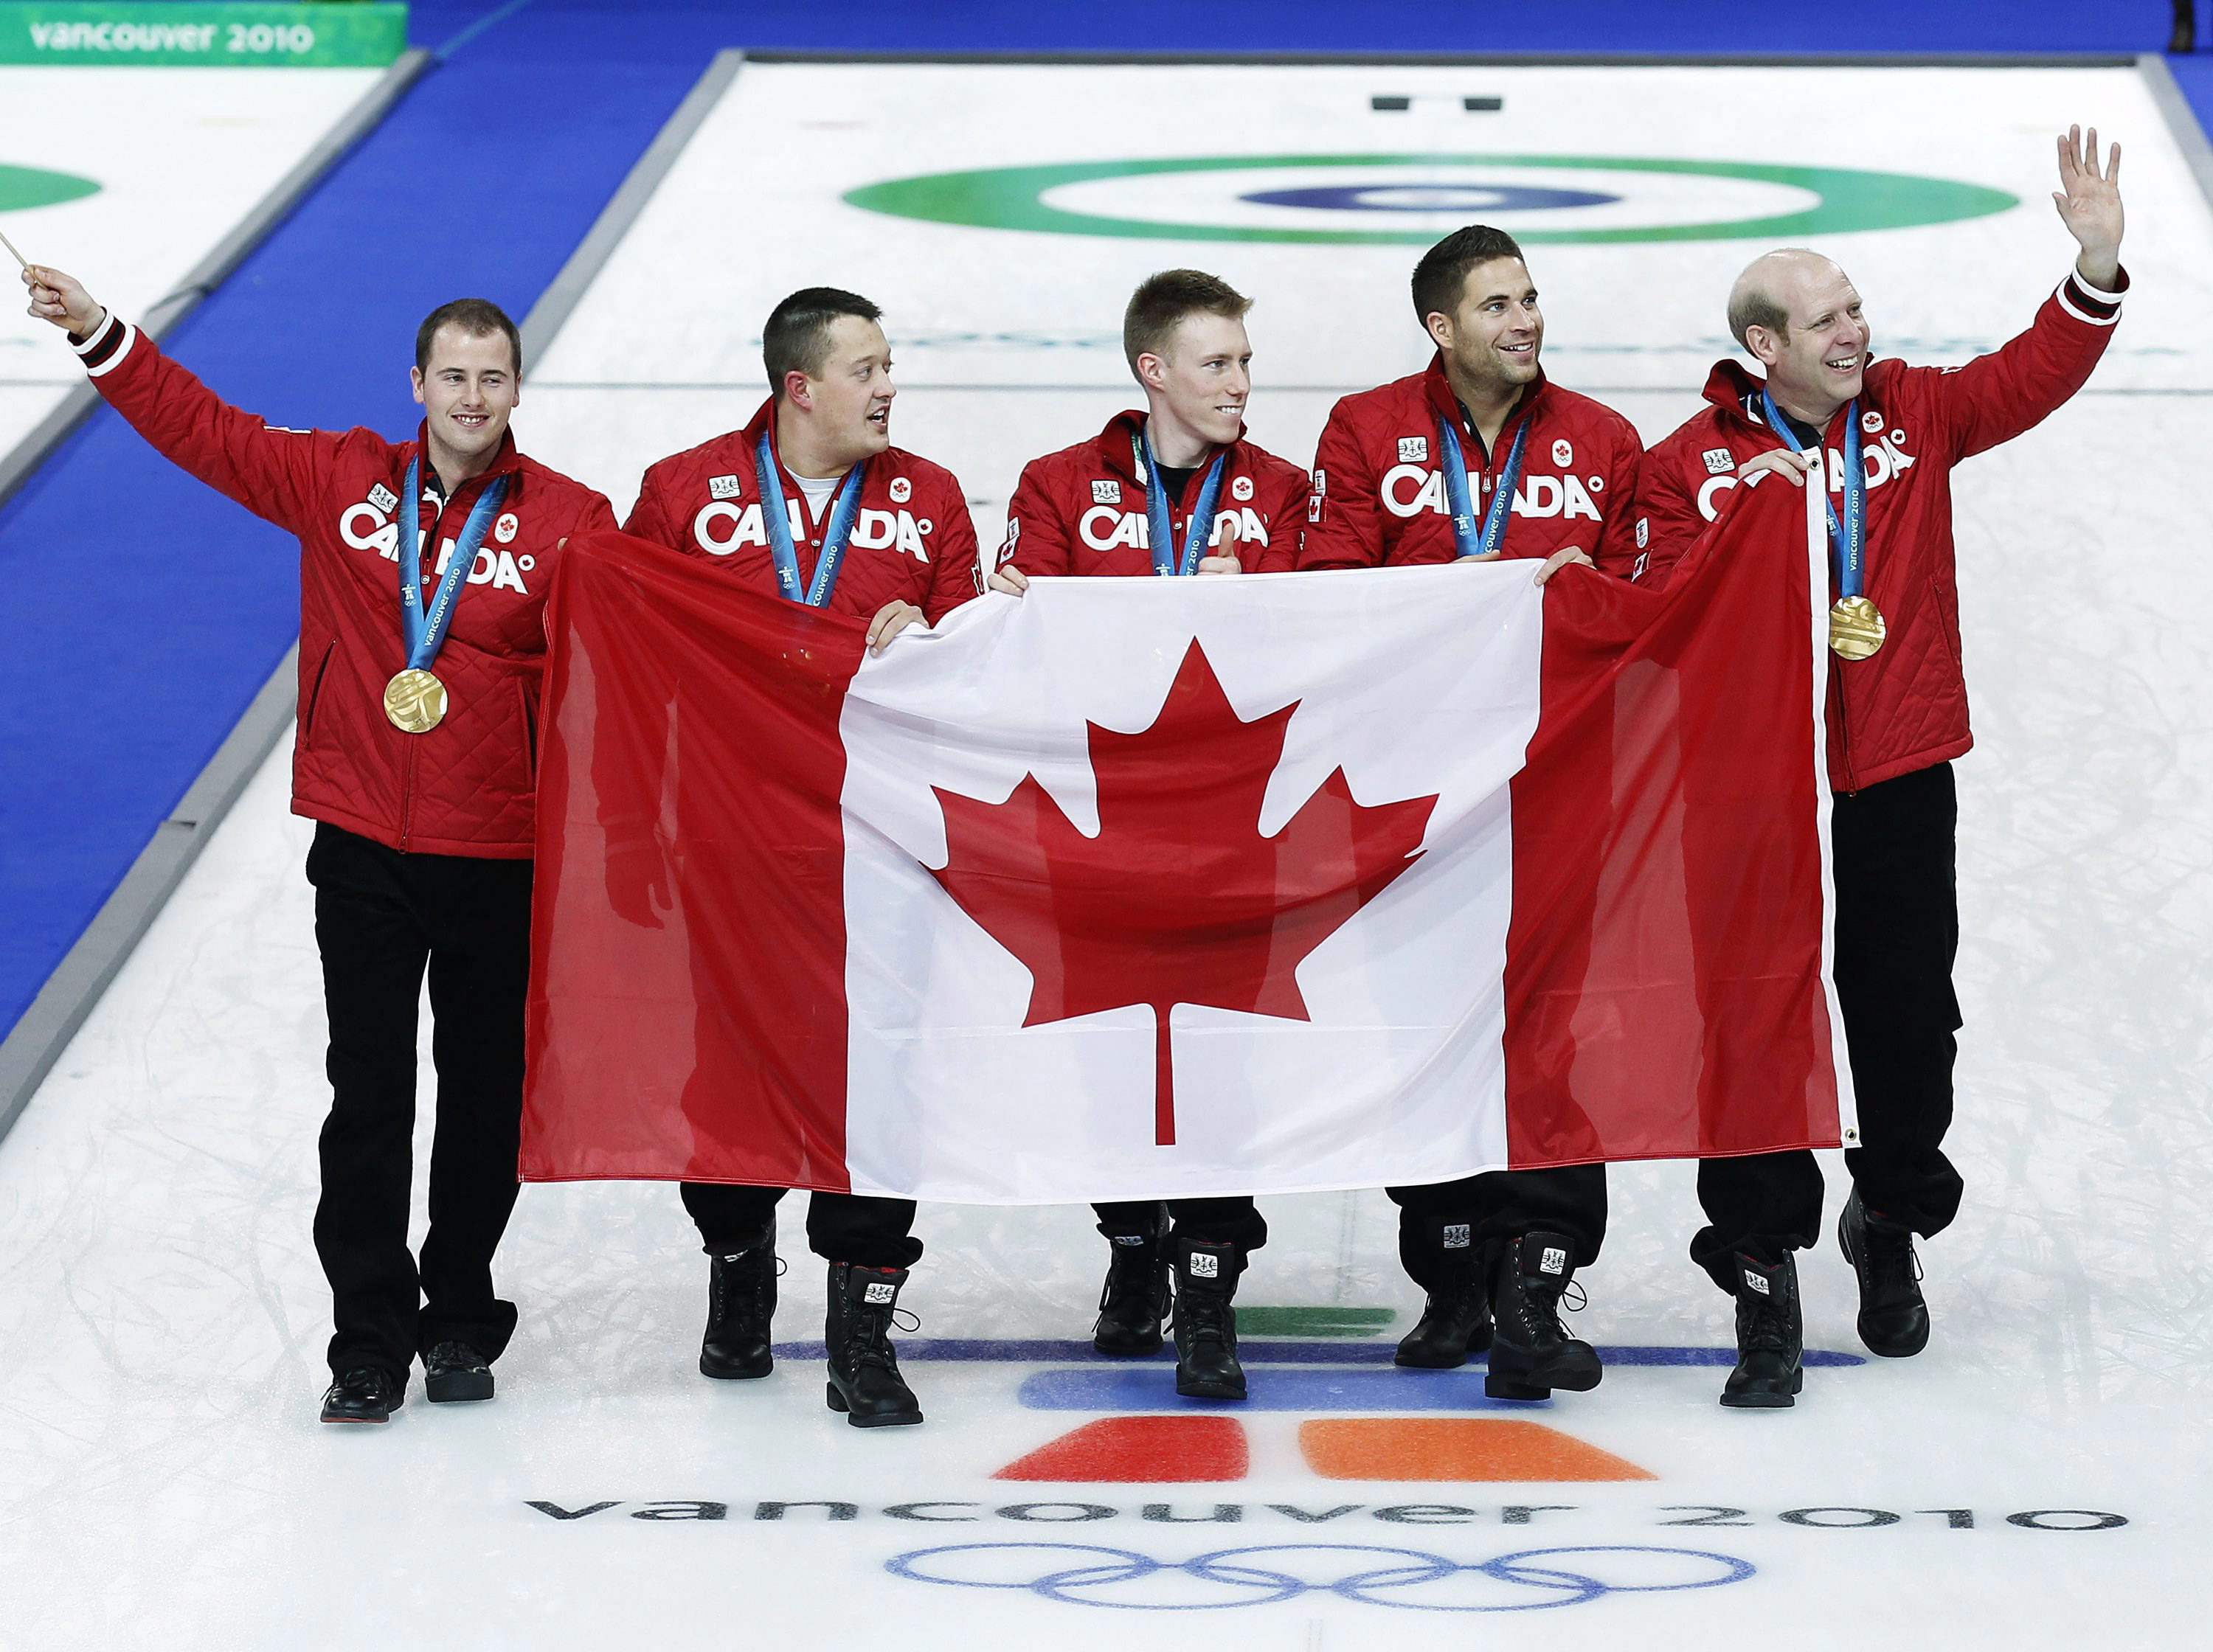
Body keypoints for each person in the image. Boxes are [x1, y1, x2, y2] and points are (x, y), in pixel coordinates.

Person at [20, 266, 614, 1425]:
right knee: (370, 1093)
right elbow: (206, 432)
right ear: (418, 384)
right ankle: (370, 1339)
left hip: (499, 847)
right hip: (365, 845)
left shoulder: (573, 522)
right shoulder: (340, 478)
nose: (474, 398)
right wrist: (99, 331)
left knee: (487, 1095)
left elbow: (651, 635)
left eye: (494, 379)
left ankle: (459, 1315)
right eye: (454, 376)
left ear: (518, 388)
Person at [1635, 126, 2127, 1406]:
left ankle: (1890, 1217)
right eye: (1828, 318)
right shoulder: (1692, 470)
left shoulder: (1914, 411)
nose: (1856, 331)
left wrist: (2095, 265)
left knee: (1908, 1012)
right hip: (1750, 791)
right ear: (1767, 347)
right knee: (1750, 1017)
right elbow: (1631, 616)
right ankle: (1759, 1262)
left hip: (1896, 766)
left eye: (1857, 307)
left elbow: (2029, 378)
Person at [618, 286, 980, 1429]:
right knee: (723, 1074)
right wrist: (632, 835)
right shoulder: (682, 494)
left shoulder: (926, 500)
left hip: (882, 847)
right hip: (727, 847)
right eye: (867, 367)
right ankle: (737, 1265)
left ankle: (862, 1327)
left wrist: (940, 636)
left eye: (889, 364)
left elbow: (980, 665)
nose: (888, 385)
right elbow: (627, 662)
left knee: (882, 1077)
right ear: (800, 386)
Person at [1297, 224, 1642, 1401]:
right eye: (1498, 305)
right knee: (1422, 1027)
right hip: (1416, 792)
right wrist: (1479, 593)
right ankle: (1450, 1272)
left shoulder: (1603, 441)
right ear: (1442, 329)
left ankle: (1536, 1282)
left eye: (1533, 297)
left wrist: (1588, 592)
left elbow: (1648, 611)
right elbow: (1335, 587)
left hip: (1558, 785)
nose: (1527, 320)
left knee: (1557, 1033)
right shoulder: (1364, 429)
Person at [984, 268, 1308, 1401]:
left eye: (1247, 363)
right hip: (1103, 832)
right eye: (1218, 364)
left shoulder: (1285, 494)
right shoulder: (1058, 485)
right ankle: (1132, 1246)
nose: (1241, 386)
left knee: (1223, 1063)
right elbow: (1034, 646)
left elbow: (1339, 647)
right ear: (1153, 371)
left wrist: (1259, 600)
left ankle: (1210, 1291)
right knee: (1109, 1054)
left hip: (1231, 835)